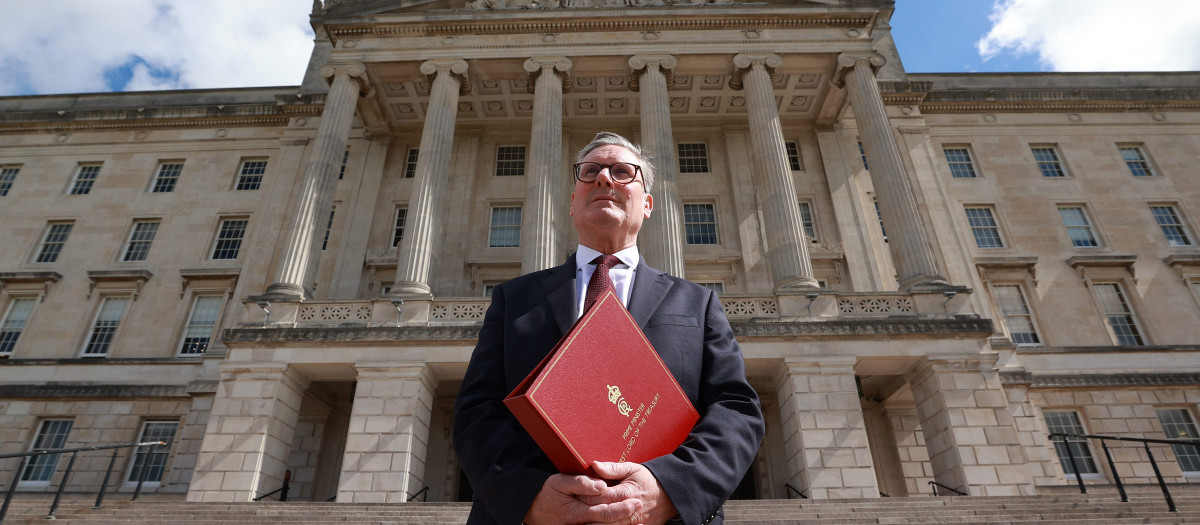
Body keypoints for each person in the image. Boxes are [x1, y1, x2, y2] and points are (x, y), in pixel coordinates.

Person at [453, 131, 764, 525]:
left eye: (622, 171)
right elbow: (476, 410)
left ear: (647, 204)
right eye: (590, 172)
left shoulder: (697, 303)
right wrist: (528, 494)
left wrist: (667, 489)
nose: (604, 179)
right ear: (572, 203)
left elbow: (735, 410)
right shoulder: (514, 298)